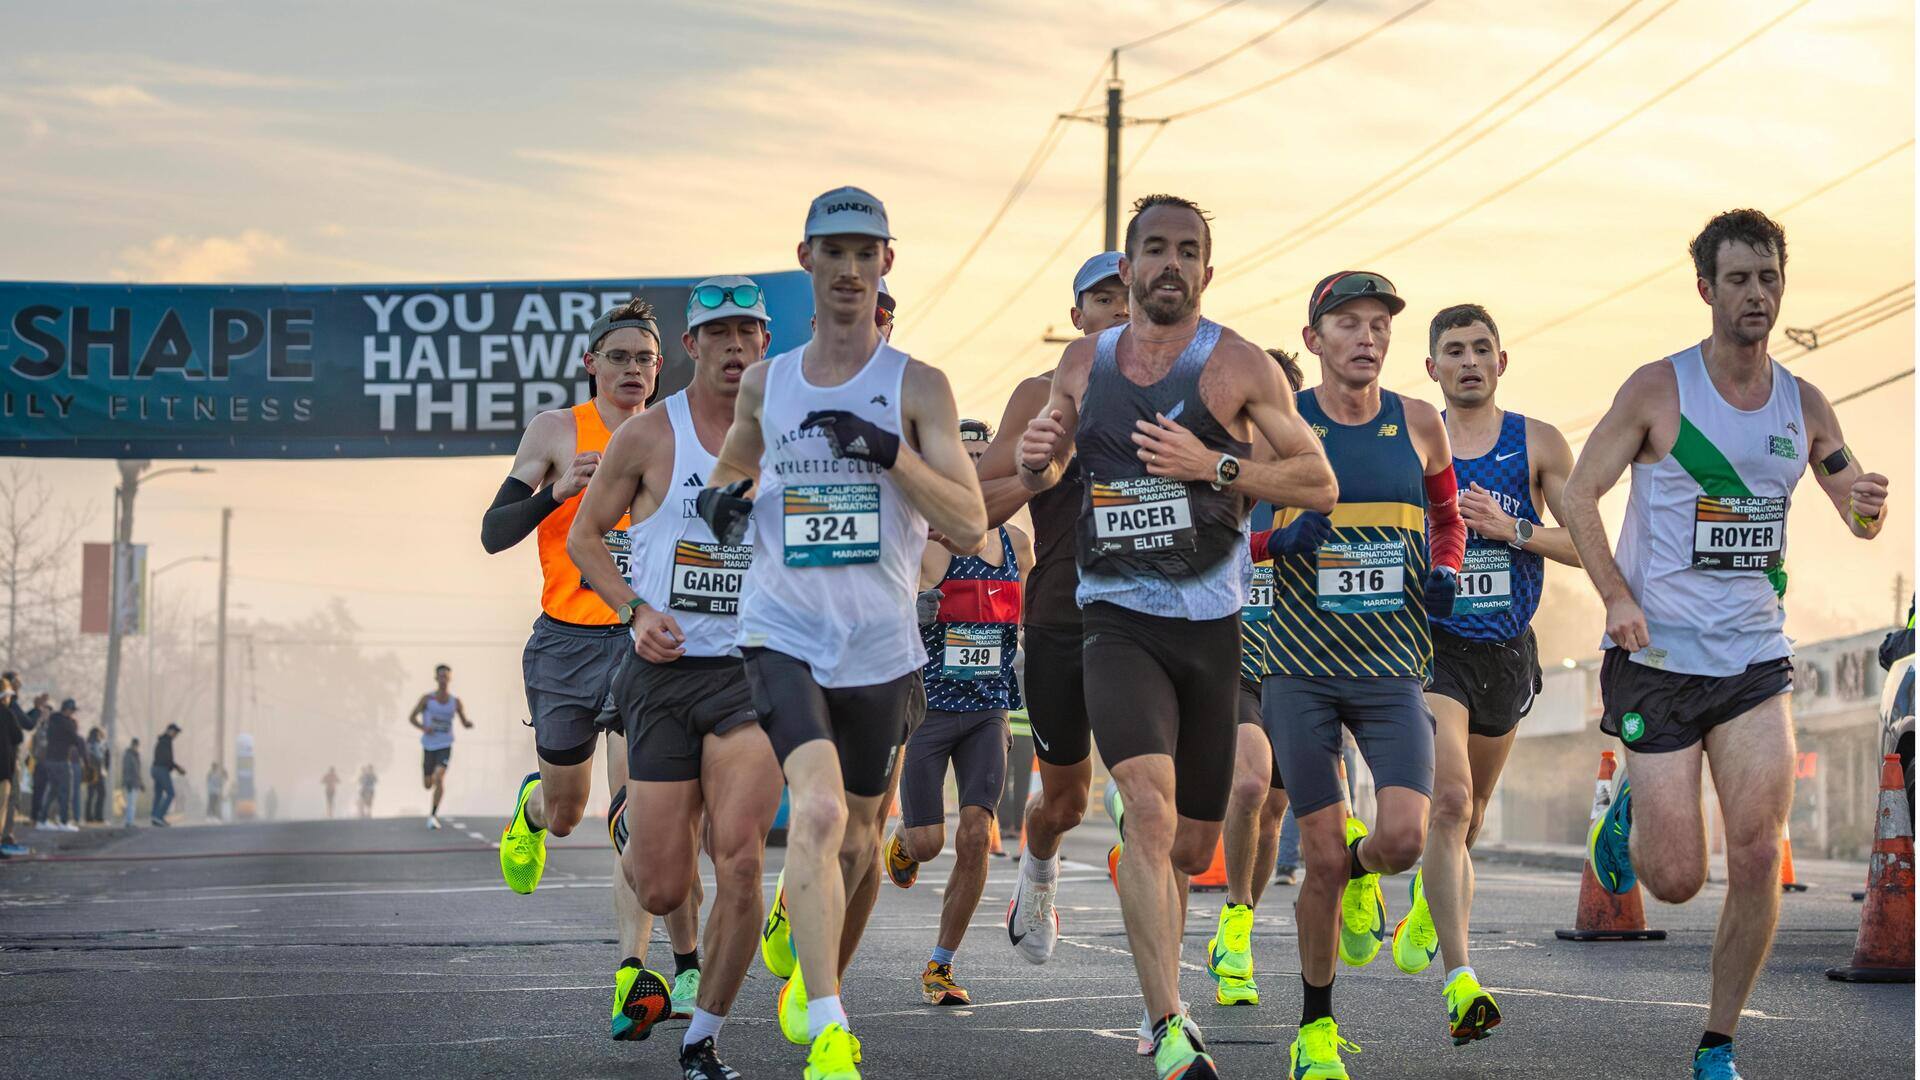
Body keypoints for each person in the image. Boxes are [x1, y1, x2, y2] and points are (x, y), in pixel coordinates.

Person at [1565, 209, 1890, 1080]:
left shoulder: (1803, 405)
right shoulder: (1657, 391)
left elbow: (1850, 504)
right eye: (1739, 278)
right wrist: (1615, 594)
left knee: (1755, 851)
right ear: (1707, 289)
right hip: (1658, 662)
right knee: (1672, 879)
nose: (1757, 293)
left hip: (1753, 662)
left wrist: (1868, 506)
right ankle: (1632, 814)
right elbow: (1579, 495)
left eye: (1769, 277)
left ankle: (1718, 1041)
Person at [1018, 194, 1337, 1080]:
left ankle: (1163, 925)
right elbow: (1043, 462)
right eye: (1153, 249)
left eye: (1186, 251)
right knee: (1150, 817)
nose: (1169, 264)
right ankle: (1168, 1025)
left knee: (1195, 848)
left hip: (1210, 630)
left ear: (1207, 269)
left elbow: (1318, 480)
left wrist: (1217, 466)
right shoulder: (1083, 362)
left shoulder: (1235, 365)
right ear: (1126, 268)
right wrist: (1042, 450)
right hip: (1115, 621)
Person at [698, 185, 986, 1080]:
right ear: (807, 260)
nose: (852, 269)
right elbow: (736, 461)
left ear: (887, 264)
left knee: (860, 838)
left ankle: (809, 941)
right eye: (836, 252)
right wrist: (722, 499)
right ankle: (829, 1027)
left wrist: (888, 452)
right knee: (817, 812)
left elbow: (971, 524)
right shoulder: (767, 379)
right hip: (782, 631)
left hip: (881, 648)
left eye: (868, 253)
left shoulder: (919, 387)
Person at [1245, 269, 1466, 1080]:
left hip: (1391, 669)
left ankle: (1365, 876)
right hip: (1299, 669)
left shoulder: (1419, 425)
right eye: (1347, 324)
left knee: (1403, 838)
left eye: (1379, 325)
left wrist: (1445, 567)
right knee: (1321, 857)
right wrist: (1279, 545)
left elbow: (1447, 519)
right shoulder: (1281, 430)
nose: (1366, 338)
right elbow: (1229, 537)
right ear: (1313, 341)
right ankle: (1314, 1028)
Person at [568, 275, 784, 1073]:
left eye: (747, 333)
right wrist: (632, 610)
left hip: (750, 675)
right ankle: (656, 825)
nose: (735, 347)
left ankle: (703, 1041)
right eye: (718, 335)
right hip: (660, 674)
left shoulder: (787, 437)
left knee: (740, 858)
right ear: (690, 347)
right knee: (662, 886)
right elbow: (586, 539)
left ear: (765, 342)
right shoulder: (651, 437)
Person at [1382, 303, 1582, 1039]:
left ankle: (1431, 907)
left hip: (1506, 652)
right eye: (1453, 352)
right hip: (1431, 646)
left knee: (1470, 818)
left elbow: (1587, 544)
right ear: (1431, 368)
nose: (1469, 361)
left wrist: (1511, 529)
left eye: (1481, 350)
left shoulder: (1539, 444)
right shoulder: (1409, 443)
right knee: (1452, 802)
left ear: (1502, 362)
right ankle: (1461, 980)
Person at [975, 251, 1129, 979]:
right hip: (1063, 614)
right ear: (1076, 318)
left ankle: (1161, 1002)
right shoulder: (1040, 394)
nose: (1121, 309)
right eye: (1104, 298)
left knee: (1152, 792)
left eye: (1130, 295)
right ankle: (1038, 871)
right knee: (1065, 801)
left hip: (1155, 617)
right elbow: (979, 499)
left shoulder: (1194, 386)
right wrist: (1044, 466)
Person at [884, 417, 1034, 1007]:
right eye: (963, 457)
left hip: (990, 708)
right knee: (927, 843)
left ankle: (941, 965)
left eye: (984, 456)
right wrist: (915, 609)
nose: (974, 468)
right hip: (932, 709)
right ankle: (902, 837)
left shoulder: (1017, 546)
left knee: (976, 835)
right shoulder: (927, 545)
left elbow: (1031, 614)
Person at [1206, 346, 1315, 1009]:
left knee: (1273, 813)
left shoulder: (1316, 479)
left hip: (1299, 663)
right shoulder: (1220, 471)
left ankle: (1236, 933)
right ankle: (1236, 918)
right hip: (1231, 662)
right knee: (1248, 782)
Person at [407, 664, 473, 830]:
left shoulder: (455, 702)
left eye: (446, 676)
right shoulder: (427, 699)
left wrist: (468, 724)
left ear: (450, 679)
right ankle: (432, 783)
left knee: (439, 777)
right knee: (428, 784)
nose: (443, 679)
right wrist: (423, 728)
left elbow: (463, 721)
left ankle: (433, 815)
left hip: (445, 744)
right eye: (441, 676)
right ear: (436, 678)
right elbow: (412, 717)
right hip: (429, 745)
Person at [150, 723, 185, 826]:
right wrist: (178, 768)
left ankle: (155, 817)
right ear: (170, 731)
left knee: (158, 794)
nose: (176, 735)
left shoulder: (161, 740)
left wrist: (175, 767)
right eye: (175, 733)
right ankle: (159, 816)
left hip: (155, 769)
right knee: (171, 793)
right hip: (161, 769)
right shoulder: (166, 741)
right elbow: (167, 759)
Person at [84, 728, 108, 823]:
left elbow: (105, 757)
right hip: (93, 770)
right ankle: (96, 816)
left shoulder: (98, 744)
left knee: (93, 794)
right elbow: (100, 757)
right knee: (96, 794)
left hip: (94, 770)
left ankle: (92, 816)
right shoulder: (93, 744)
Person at [121, 738, 145, 827]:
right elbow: (126, 770)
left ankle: (130, 821)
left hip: (135, 783)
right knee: (131, 803)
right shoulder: (129, 755)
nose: (136, 747)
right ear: (132, 745)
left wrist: (141, 783)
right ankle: (129, 822)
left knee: (132, 803)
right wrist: (128, 781)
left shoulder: (135, 755)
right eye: (135, 745)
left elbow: (138, 771)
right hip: (131, 782)